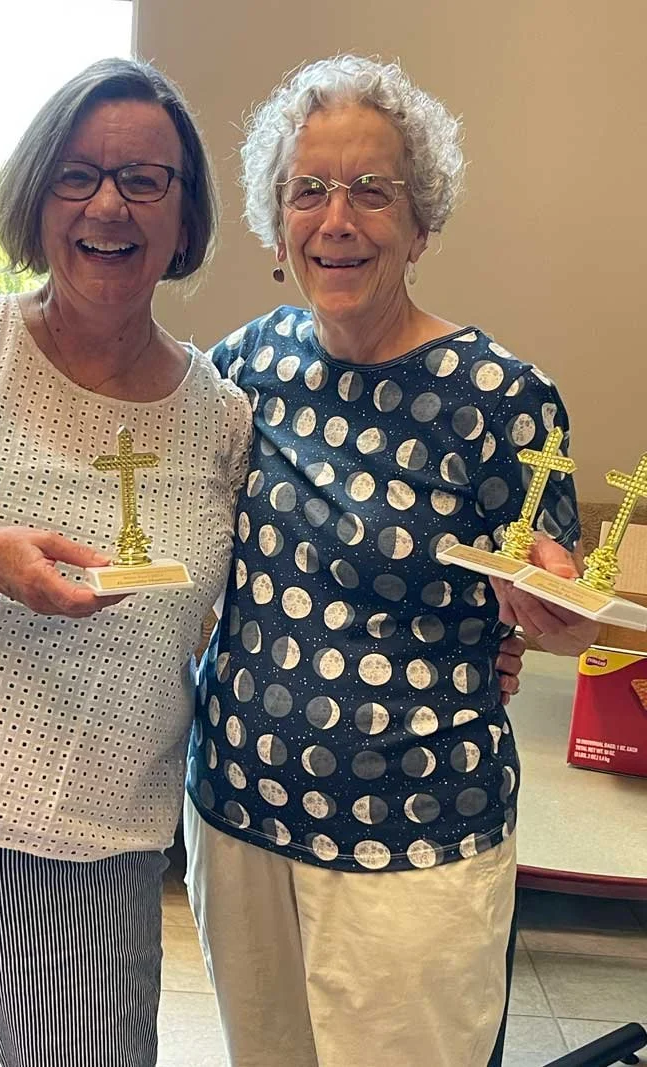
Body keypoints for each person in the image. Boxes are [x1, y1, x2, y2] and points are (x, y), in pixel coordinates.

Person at [179, 55, 597, 1067]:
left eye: (372, 191)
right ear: (276, 223)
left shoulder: (501, 398)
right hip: (237, 814)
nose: (337, 218)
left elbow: (555, 592)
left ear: (421, 222)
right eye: (307, 190)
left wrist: (556, 617)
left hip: (416, 832)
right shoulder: (242, 368)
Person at [0, 57, 252, 1067]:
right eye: (76, 174)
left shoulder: (224, 419)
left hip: (91, 844)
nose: (107, 203)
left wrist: (483, 640)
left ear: (183, 212)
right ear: (36, 197)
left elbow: (285, 604)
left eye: (143, 178)